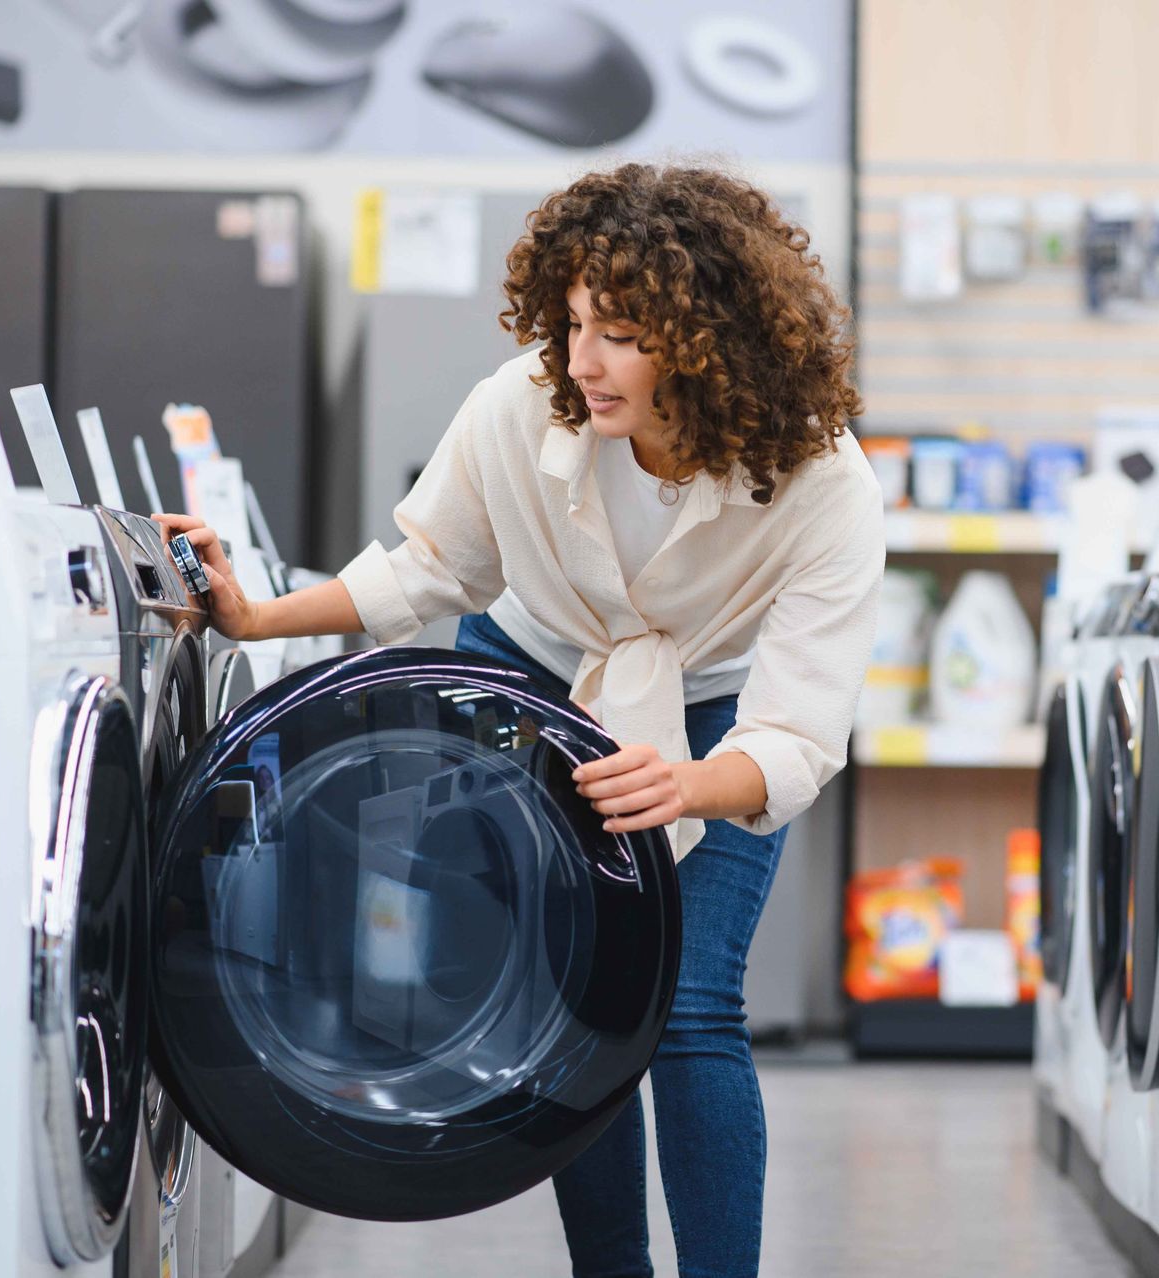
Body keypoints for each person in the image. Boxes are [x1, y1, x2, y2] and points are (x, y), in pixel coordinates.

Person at [156, 161, 884, 1278]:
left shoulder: (822, 482)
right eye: (575, 321)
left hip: (719, 713)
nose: (581, 359)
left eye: (623, 332)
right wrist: (255, 618)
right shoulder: (522, 403)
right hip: (535, 674)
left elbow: (797, 733)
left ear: (707, 341)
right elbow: (430, 570)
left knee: (689, 1007)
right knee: (574, 996)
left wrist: (688, 784)